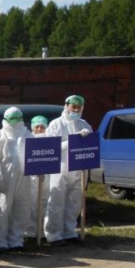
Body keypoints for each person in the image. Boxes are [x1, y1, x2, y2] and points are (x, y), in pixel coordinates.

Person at [44, 95, 92, 246]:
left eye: (79, 106)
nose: (76, 109)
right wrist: (72, 141)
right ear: (66, 106)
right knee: (56, 202)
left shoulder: (84, 125)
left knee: (74, 203)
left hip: (78, 169)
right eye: (73, 106)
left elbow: (91, 147)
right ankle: (53, 234)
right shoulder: (56, 124)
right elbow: (51, 147)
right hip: (60, 168)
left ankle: (69, 231)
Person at [0, 107, 34, 253]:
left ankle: (16, 240)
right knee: (2, 209)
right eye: (12, 118)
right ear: (6, 120)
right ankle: (0, 241)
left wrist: (39, 170)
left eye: (17, 118)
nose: (15, 121)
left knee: (21, 208)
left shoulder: (27, 135)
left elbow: (35, 154)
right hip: (5, 178)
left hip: (24, 178)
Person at [25, 115, 50, 239]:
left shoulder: (50, 139)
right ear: (32, 128)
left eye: (42, 127)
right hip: (31, 177)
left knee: (45, 203)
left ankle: (43, 230)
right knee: (31, 204)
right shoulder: (27, 139)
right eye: (37, 127)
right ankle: (31, 231)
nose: (40, 129)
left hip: (47, 176)